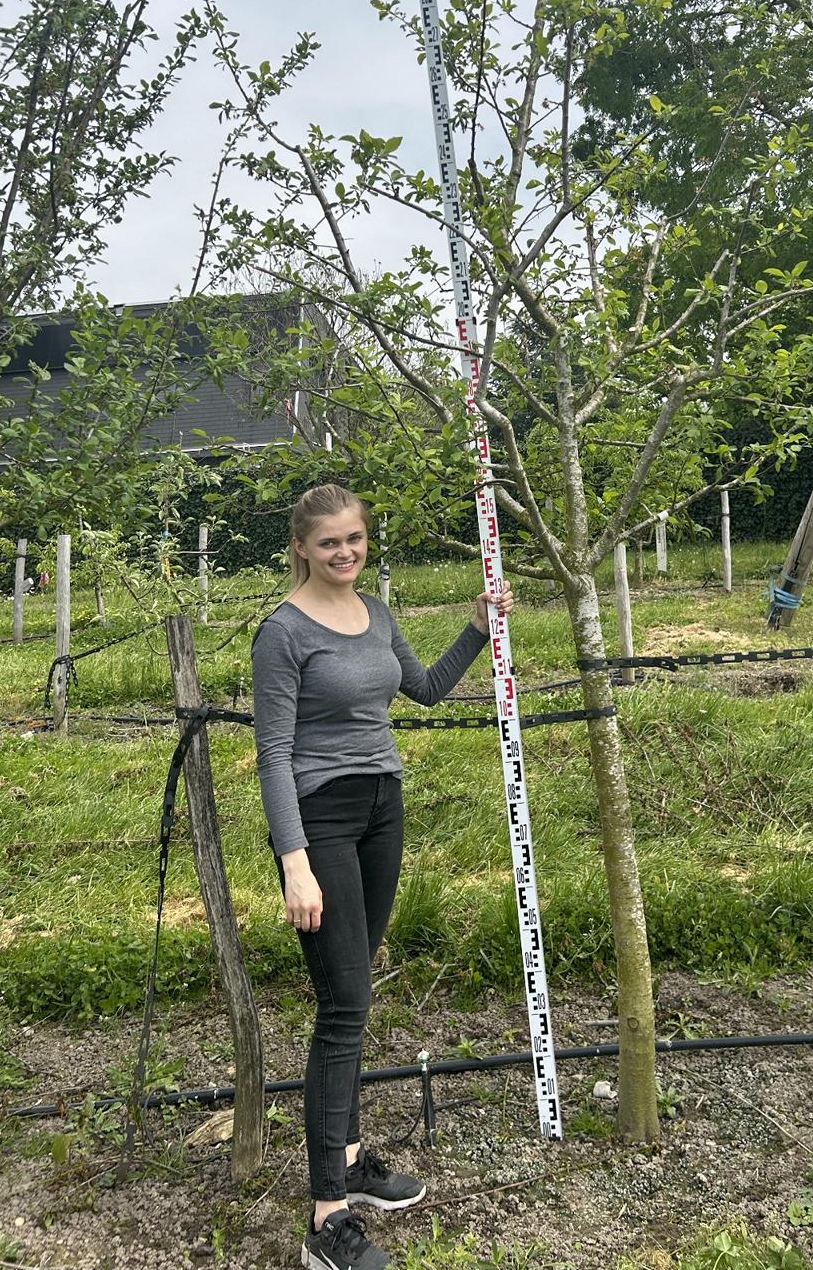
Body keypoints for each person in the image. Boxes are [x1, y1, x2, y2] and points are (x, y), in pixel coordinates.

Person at [252, 483, 511, 1270]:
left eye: (355, 539)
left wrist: (476, 628)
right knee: (344, 1007)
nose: (344, 553)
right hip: (319, 821)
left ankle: (356, 1161)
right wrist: (294, 862)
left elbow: (424, 689)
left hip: (381, 809)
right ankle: (327, 1216)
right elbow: (271, 755)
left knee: (355, 988)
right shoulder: (283, 632)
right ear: (301, 546)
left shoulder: (376, 614)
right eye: (329, 542)